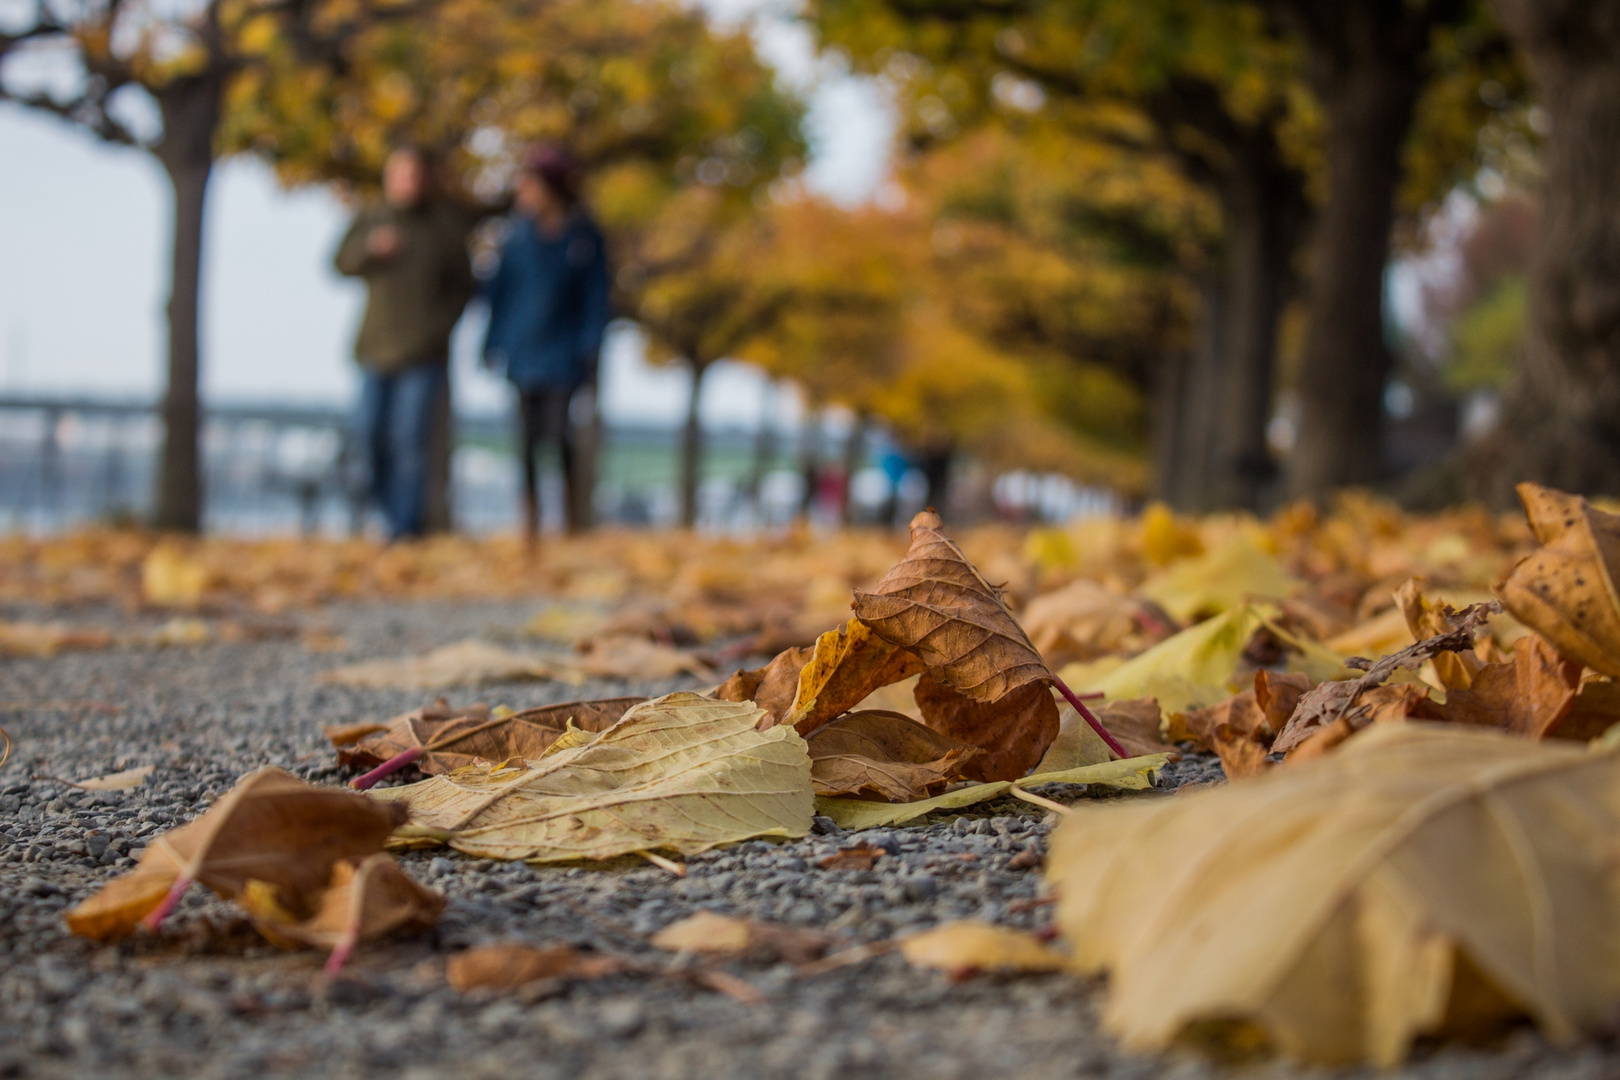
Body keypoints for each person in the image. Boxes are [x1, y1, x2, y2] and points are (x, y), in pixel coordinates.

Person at [334, 145, 474, 540]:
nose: (407, 182)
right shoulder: (372, 218)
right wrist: (370, 250)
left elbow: (465, 287)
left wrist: (439, 327)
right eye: (399, 174)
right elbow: (340, 263)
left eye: (414, 174)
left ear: (426, 179)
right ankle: (383, 514)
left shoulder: (444, 227)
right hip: (375, 348)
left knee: (410, 441)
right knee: (369, 436)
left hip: (423, 352)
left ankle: (404, 528)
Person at [481, 145, 612, 542]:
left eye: (530, 185)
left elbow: (596, 298)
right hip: (522, 352)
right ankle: (530, 523)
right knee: (524, 440)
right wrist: (491, 342)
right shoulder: (514, 237)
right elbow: (497, 294)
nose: (522, 193)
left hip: (564, 353)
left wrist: (591, 347)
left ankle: (570, 518)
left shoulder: (583, 239)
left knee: (558, 436)